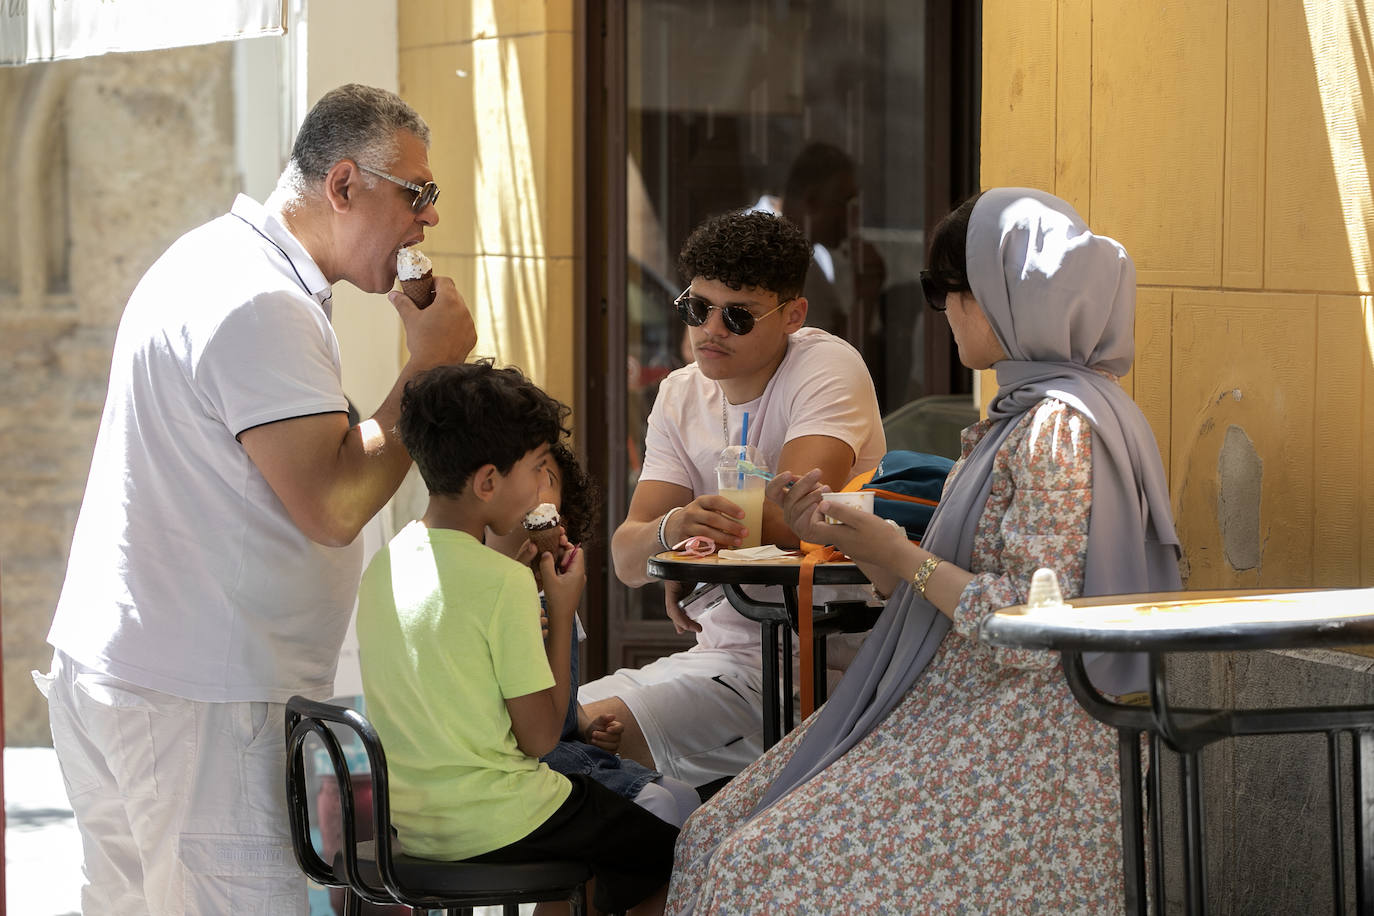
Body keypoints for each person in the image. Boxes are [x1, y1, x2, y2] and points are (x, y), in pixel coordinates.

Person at [665, 187, 1183, 913]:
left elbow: (1039, 620)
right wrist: (857, 544)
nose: (942, 310)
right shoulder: (1023, 415)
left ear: (1006, 298)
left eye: (949, 289)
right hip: (965, 713)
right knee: (712, 833)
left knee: (756, 866)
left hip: (1026, 742)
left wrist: (897, 552)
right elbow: (955, 587)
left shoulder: (1060, 428)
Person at [37, 84, 476, 915]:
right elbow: (336, 502)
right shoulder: (261, 300)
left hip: (144, 681)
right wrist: (430, 370)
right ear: (344, 185)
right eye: (417, 194)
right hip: (198, 703)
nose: (429, 220)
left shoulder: (218, 260)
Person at [579, 209, 887, 788]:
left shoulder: (825, 366)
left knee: (583, 740)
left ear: (793, 315)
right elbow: (626, 556)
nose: (711, 329)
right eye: (698, 308)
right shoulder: (677, 394)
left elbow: (799, 516)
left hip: (819, 665)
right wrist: (677, 533)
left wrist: (687, 543)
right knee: (550, 732)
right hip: (723, 653)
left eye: (737, 316)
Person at [356, 362, 676, 916]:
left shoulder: (382, 567)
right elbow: (541, 740)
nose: (537, 487)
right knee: (676, 850)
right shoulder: (502, 582)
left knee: (605, 842)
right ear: (486, 482)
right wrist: (560, 609)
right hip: (503, 818)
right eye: (534, 469)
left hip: (414, 825)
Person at [485, 441, 701, 827]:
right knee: (658, 805)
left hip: (564, 747)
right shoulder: (488, 594)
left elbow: (560, 692)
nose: (534, 486)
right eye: (523, 472)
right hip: (528, 760)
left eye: (545, 477)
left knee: (687, 799)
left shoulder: (553, 590)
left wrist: (584, 722)